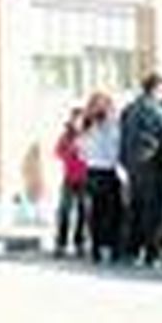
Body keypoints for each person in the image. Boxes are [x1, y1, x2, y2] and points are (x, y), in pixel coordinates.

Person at [119, 74, 162, 266]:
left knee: (135, 208)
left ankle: (132, 250)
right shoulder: (155, 110)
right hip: (152, 163)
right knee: (154, 210)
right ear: (156, 89)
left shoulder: (129, 109)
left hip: (132, 165)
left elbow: (123, 138)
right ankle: (152, 252)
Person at [78, 92, 123, 264]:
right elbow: (117, 148)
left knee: (97, 213)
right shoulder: (112, 126)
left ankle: (98, 248)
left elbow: (81, 152)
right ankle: (110, 248)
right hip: (107, 171)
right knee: (110, 213)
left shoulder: (87, 127)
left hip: (93, 171)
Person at [52, 107, 90, 258]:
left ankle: (79, 243)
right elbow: (57, 152)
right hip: (69, 178)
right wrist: (70, 149)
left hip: (85, 178)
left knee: (84, 212)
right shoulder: (66, 136)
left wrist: (83, 151)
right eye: (74, 119)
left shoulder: (89, 135)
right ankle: (61, 243)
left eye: (79, 119)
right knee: (64, 211)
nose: (76, 122)